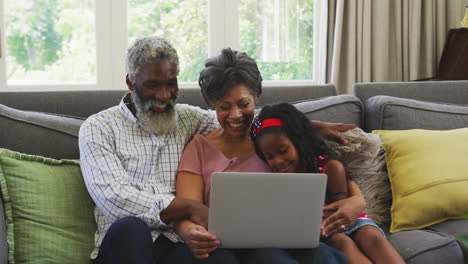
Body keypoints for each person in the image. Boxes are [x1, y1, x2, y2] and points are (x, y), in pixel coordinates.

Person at [79, 37, 357, 264]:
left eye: (171, 84)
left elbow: (239, 116)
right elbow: (115, 199)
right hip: (128, 244)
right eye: (153, 85)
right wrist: (190, 208)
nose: (164, 95)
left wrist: (306, 127)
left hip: (178, 243)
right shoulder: (98, 127)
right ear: (130, 82)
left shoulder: (188, 119)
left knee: (222, 258)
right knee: (132, 227)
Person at [175, 47, 367, 263]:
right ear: (212, 106)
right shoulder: (199, 148)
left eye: (244, 104)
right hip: (227, 246)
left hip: (288, 239)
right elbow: (188, 208)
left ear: (256, 98)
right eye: (224, 107)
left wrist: (358, 201)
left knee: (325, 255)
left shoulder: (277, 137)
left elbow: (324, 165)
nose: (236, 114)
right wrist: (191, 231)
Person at [250, 103, 406, 264]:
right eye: (269, 157)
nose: (278, 161)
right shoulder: (272, 177)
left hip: (343, 218)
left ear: (297, 141)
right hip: (322, 229)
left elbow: (341, 212)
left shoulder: (329, 167)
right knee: (342, 242)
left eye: (283, 151)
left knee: (373, 237)